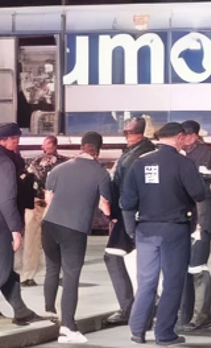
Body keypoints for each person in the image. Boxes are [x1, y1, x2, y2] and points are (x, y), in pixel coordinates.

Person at [120, 122, 209, 346]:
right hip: (174, 230)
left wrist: (132, 229)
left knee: (146, 281)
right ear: (179, 137)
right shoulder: (183, 163)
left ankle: (137, 330)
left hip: (145, 229)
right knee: (172, 282)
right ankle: (164, 334)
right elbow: (199, 193)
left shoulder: (140, 163)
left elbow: (127, 202)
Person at [42, 131, 113, 343]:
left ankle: (49, 311)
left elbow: (49, 198)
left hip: (49, 225)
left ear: (81, 146)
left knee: (52, 268)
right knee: (71, 277)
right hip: (74, 228)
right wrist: (110, 215)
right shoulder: (101, 173)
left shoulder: (59, 168)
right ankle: (68, 328)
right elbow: (105, 205)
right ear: (99, 149)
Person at [105, 116, 156, 325]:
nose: (126, 135)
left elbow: (129, 188)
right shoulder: (136, 151)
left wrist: (122, 216)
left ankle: (133, 308)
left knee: (118, 257)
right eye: (125, 132)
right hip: (129, 213)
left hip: (131, 214)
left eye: (130, 132)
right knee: (134, 260)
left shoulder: (140, 154)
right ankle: (138, 307)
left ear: (141, 133)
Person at [177, 120, 211, 332]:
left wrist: (209, 183)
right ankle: (185, 315)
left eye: (189, 135)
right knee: (185, 267)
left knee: (197, 266)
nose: (185, 139)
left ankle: (202, 316)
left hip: (203, 217)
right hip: (185, 217)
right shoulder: (179, 154)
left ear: (196, 135)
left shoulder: (207, 155)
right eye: (183, 135)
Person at [0, 123, 47, 326]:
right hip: (2, 223)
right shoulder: (5, 162)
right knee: (2, 268)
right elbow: (6, 198)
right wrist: (14, 228)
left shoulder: (10, 159)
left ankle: (21, 311)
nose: (17, 143)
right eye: (14, 139)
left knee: (6, 270)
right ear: (5, 140)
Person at [22, 135, 70, 286]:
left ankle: (59, 274)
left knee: (57, 240)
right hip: (36, 204)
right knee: (31, 240)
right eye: (45, 144)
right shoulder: (34, 162)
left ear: (54, 145)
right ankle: (28, 275)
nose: (46, 146)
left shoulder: (64, 163)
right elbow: (25, 182)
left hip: (55, 205)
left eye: (48, 143)